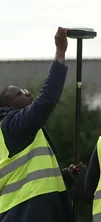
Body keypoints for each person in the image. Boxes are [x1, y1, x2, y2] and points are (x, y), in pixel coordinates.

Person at [0, 27, 82, 222]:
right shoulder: (12, 125)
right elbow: (46, 100)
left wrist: (65, 176)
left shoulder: (19, 131)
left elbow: (27, 178)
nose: (28, 93)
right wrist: (60, 52)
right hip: (26, 212)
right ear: (8, 105)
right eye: (21, 92)